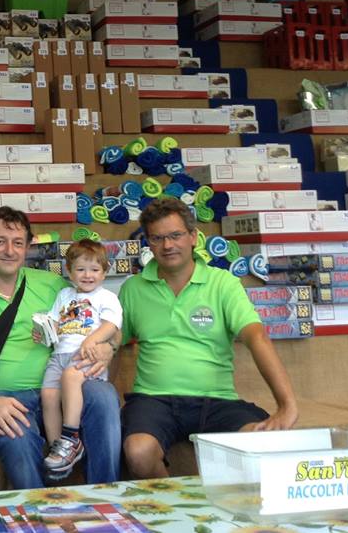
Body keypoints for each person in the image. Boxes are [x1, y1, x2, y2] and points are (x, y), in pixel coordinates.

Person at [0, 207, 121, 488]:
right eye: (0, 241)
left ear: (28, 246)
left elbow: (109, 323)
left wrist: (110, 347)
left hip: (63, 387)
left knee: (103, 396)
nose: (10, 250)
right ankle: (37, 508)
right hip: (3, 397)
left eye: (18, 242)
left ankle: (106, 496)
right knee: (16, 434)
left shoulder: (54, 285)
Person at [120, 197, 299, 479]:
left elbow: (256, 337)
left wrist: (286, 405)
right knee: (138, 451)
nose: (167, 245)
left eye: (176, 235)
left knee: (262, 442)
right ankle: (175, 506)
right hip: (153, 401)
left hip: (216, 401)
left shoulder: (223, 283)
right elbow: (111, 340)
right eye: (157, 238)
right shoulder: (133, 289)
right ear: (148, 243)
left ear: (193, 237)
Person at [37, 239, 122, 480]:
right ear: (69, 271)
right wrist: (44, 332)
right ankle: (59, 450)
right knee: (48, 394)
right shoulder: (64, 295)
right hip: (59, 354)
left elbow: (112, 325)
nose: (87, 275)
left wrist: (91, 341)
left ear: (104, 272)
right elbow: (55, 322)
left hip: (86, 356)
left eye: (94, 269)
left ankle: (70, 438)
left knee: (70, 377)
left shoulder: (106, 297)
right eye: (81, 269)